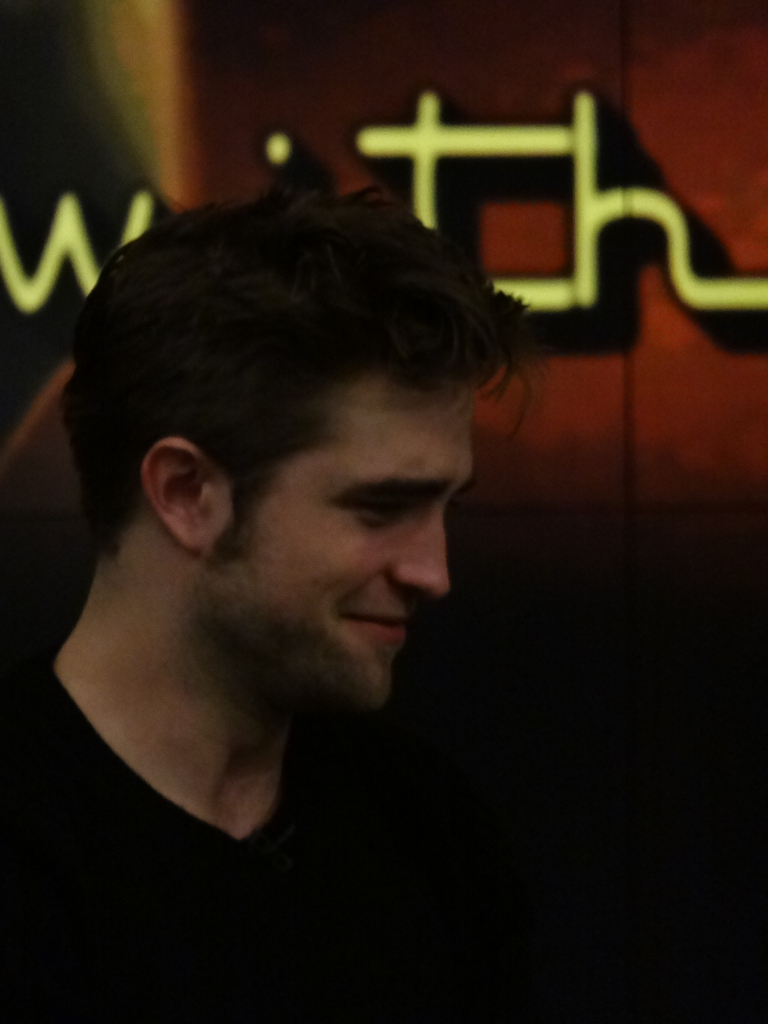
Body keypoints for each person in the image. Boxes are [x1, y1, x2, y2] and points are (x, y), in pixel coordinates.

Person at [0, 188, 537, 1023]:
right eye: (380, 507)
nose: (434, 573)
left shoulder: (432, 837)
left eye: (446, 508)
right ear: (187, 493)